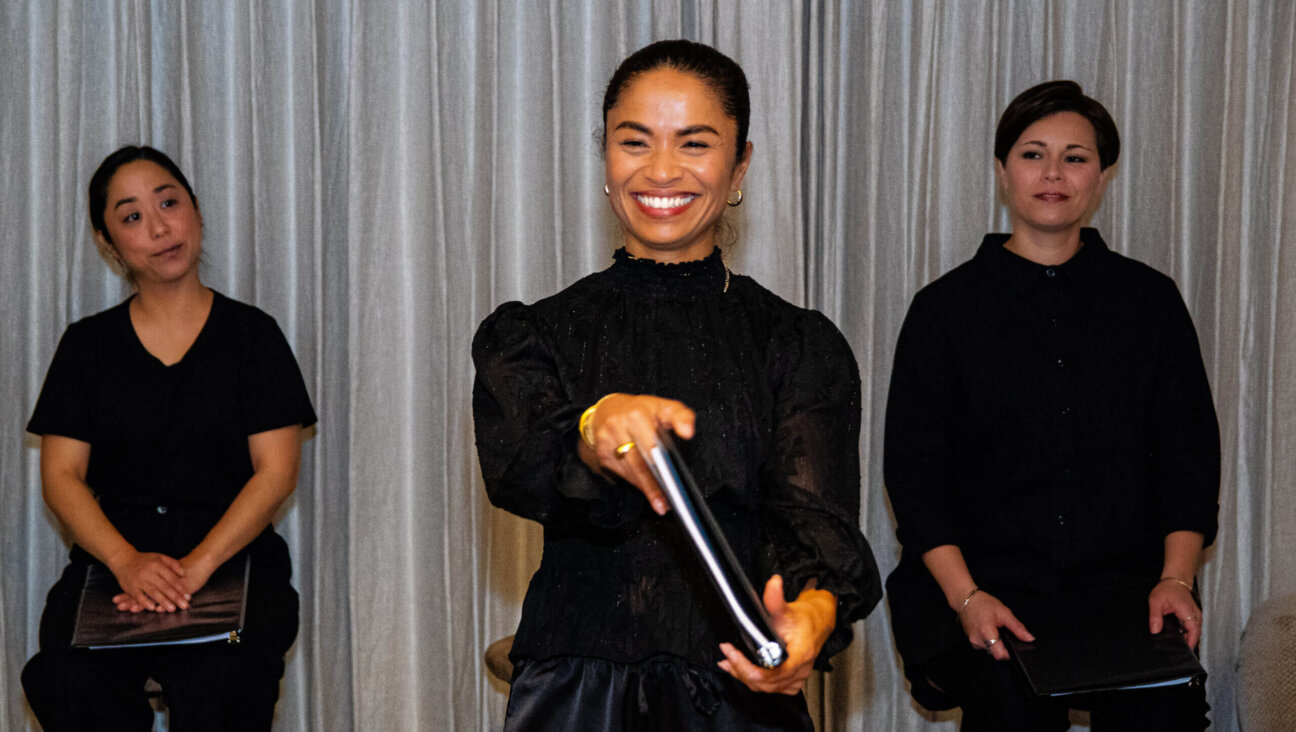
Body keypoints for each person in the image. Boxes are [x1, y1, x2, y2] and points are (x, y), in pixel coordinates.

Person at [472, 39, 881, 730]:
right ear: (605, 155)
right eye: (635, 142)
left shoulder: (795, 342)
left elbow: (820, 533)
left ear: (740, 161)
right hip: (575, 697)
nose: (661, 169)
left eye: (695, 144)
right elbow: (520, 461)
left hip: (737, 698)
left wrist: (810, 617)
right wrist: (592, 426)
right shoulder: (534, 334)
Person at [883, 80, 1219, 730]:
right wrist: (968, 597)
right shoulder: (945, 311)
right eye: (1034, 154)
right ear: (1004, 170)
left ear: (1103, 173)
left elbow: (1190, 457)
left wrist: (1176, 579)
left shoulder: (1149, 302)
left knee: (1167, 714)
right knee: (1011, 710)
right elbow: (917, 479)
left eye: (1076, 156)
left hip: (1126, 595)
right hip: (987, 589)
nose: (1054, 173)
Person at [21, 146, 316, 730]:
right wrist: (127, 562)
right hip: (113, 562)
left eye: (169, 203)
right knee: (65, 680)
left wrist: (197, 567)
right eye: (131, 216)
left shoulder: (254, 337)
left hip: (232, 557)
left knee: (224, 687)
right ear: (109, 244)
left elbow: (277, 471)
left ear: (197, 211)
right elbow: (60, 476)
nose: (158, 227)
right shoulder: (87, 346)